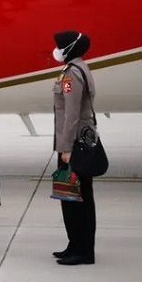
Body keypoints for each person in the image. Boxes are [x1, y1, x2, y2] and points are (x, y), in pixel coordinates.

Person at [52, 30, 97, 266]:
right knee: (75, 196)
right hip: (80, 140)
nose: (56, 50)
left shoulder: (71, 75)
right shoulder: (79, 68)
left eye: (59, 46)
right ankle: (75, 245)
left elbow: (70, 114)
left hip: (73, 143)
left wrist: (66, 147)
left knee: (76, 198)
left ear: (68, 48)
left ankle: (82, 250)